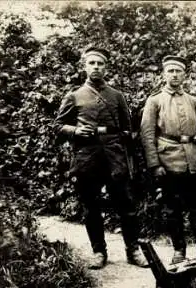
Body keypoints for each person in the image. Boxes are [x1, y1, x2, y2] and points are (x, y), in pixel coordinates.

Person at [54, 46, 148, 269]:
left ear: (106, 67)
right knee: (90, 207)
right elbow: (57, 126)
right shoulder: (74, 96)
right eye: (92, 63)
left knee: (126, 205)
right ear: (84, 66)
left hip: (115, 158)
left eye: (100, 63)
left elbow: (128, 129)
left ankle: (133, 249)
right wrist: (75, 131)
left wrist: (126, 153)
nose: (96, 67)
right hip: (87, 158)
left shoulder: (116, 96)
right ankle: (99, 252)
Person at [140, 55, 196, 265]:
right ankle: (179, 249)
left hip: (193, 161)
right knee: (172, 209)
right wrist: (154, 164)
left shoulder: (193, 101)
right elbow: (147, 134)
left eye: (178, 71)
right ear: (163, 74)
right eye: (170, 71)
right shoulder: (155, 100)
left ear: (184, 75)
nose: (174, 75)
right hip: (168, 161)